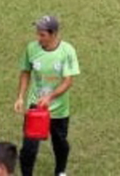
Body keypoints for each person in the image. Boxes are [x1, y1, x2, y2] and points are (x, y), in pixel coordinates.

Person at [13, 15, 80, 176]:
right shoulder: (31, 49)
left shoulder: (67, 51)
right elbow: (25, 72)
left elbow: (68, 81)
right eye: (37, 33)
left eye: (42, 34)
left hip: (58, 110)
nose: (38, 37)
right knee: (29, 147)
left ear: (53, 34)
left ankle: (60, 171)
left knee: (60, 143)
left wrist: (50, 97)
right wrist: (21, 96)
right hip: (35, 108)